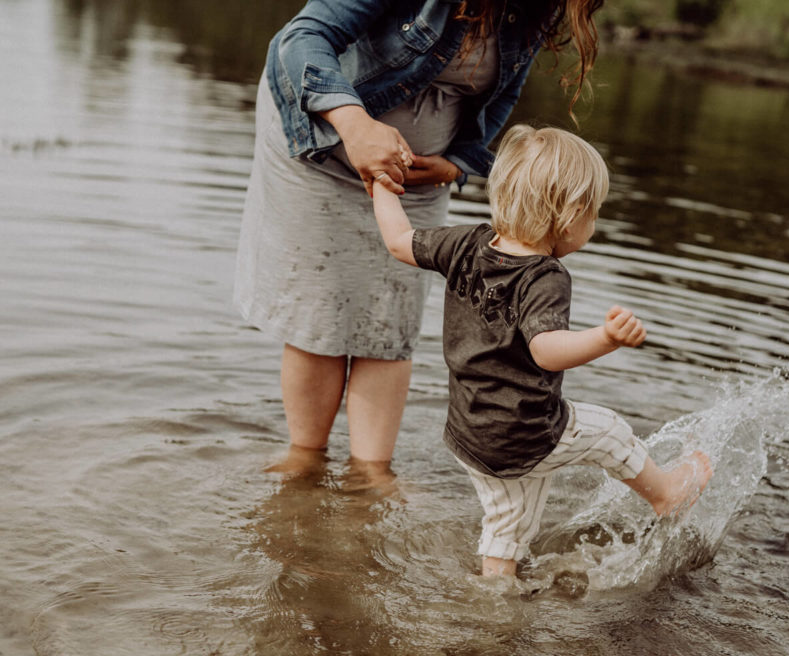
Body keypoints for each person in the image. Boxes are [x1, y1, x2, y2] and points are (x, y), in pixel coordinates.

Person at [234, 0, 606, 476]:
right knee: (321, 311)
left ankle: (372, 473)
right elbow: (303, 38)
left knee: (390, 322)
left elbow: (506, 87)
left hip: (417, 175)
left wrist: (459, 163)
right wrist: (355, 124)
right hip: (323, 142)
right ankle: (304, 459)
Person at [371, 124, 714, 576]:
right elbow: (547, 351)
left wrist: (380, 185)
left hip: (469, 429)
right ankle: (666, 493)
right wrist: (606, 339)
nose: (593, 224)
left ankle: (496, 597)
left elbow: (399, 241)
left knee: (510, 523)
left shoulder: (466, 243)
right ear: (570, 217)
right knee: (609, 431)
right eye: (594, 213)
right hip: (523, 430)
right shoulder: (544, 276)